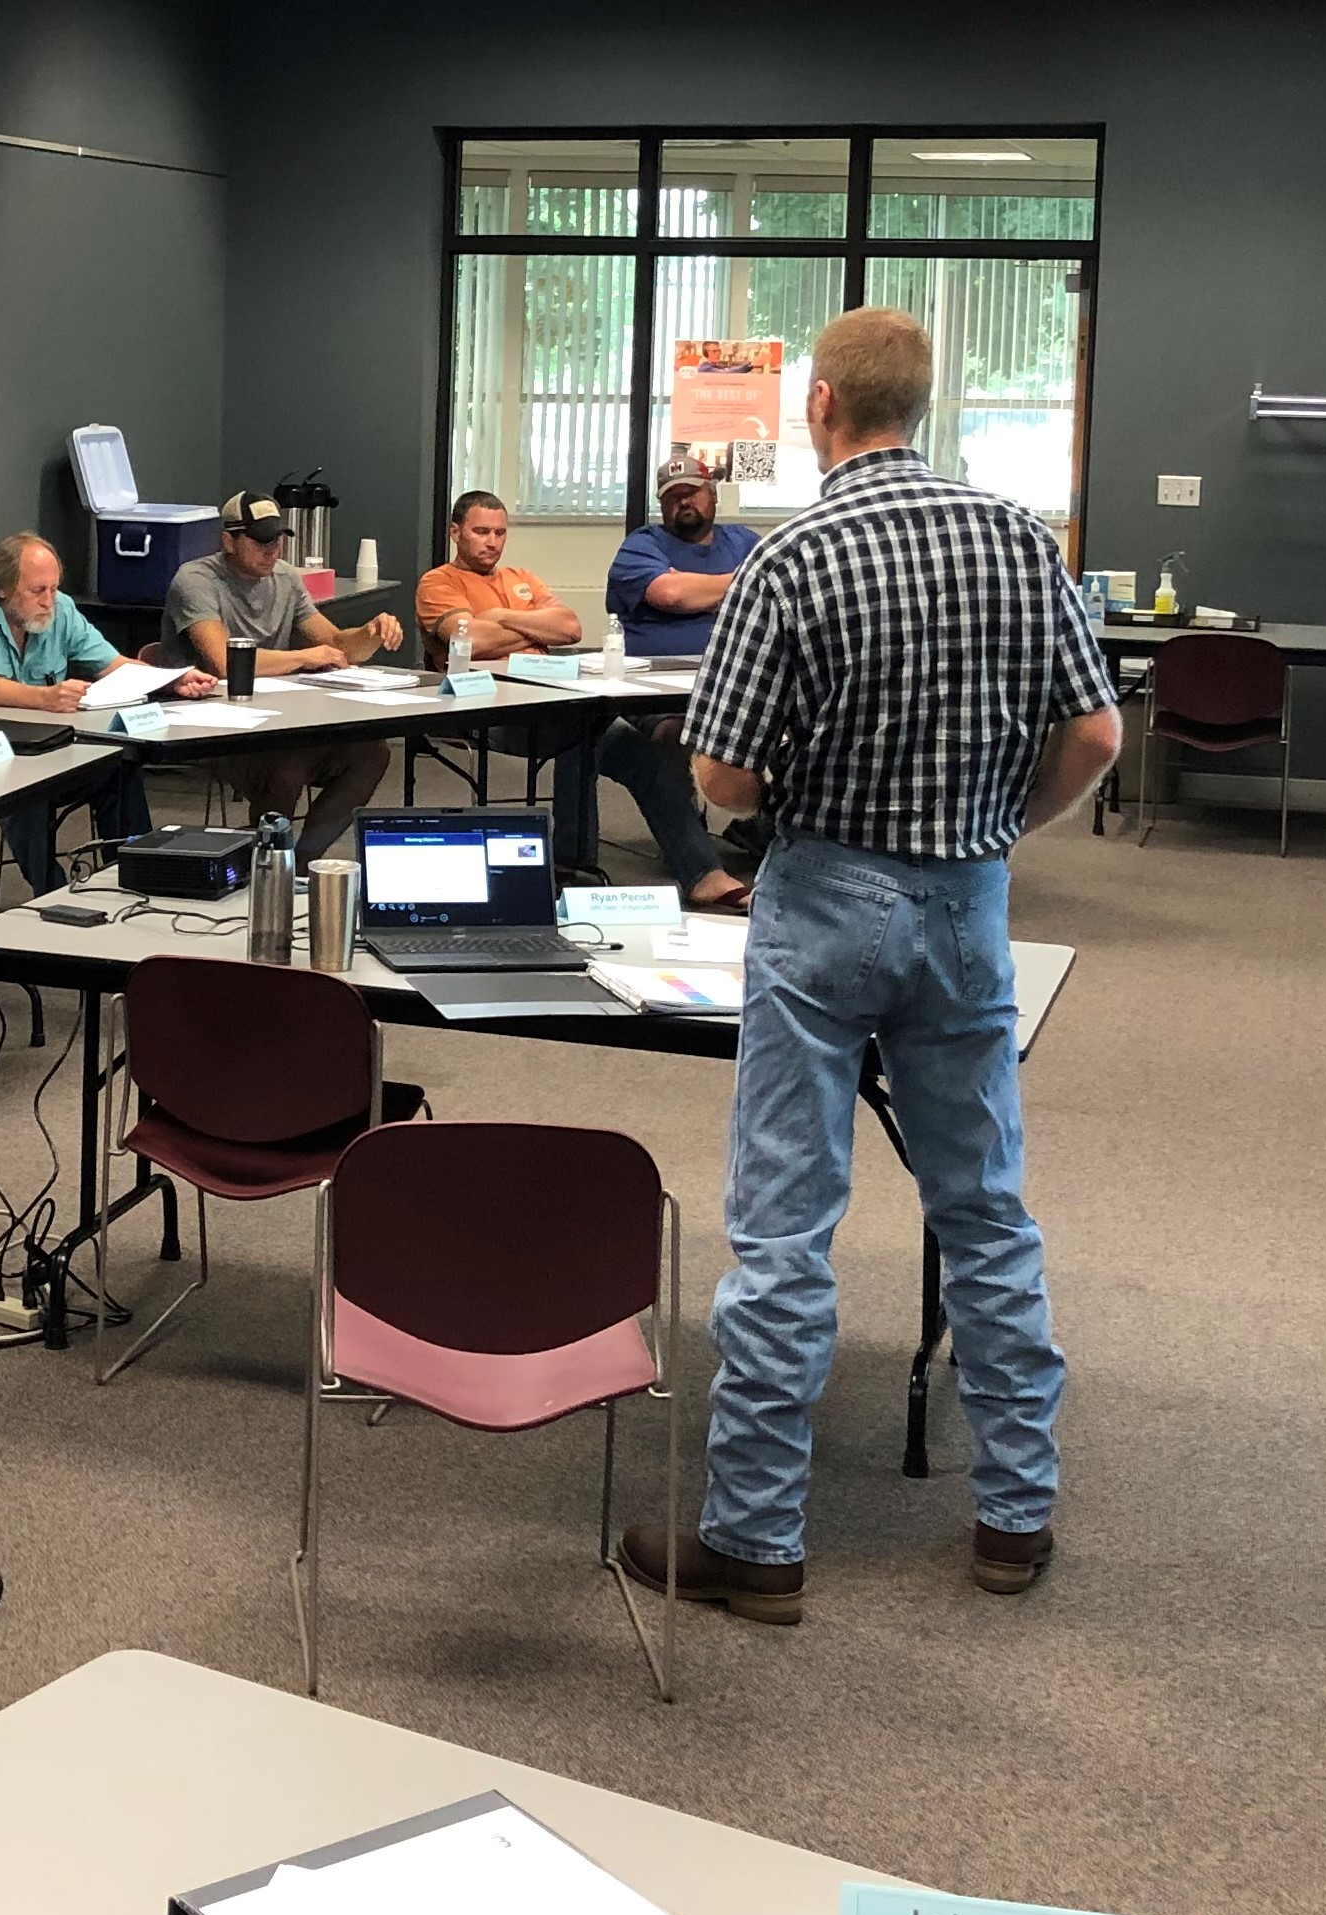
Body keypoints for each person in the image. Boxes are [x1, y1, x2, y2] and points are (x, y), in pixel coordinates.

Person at [627, 307, 1121, 1624]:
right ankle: (1015, 1515)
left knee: (785, 1224)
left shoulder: (792, 558)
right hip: (967, 906)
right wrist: (1004, 828)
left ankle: (757, 1541)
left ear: (824, 405)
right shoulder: (1021, 541)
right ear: (926, 402)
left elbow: (722, 772)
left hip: (825, 900)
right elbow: (1098, 734)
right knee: (985, 1208)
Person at [420, 491, 745, 910]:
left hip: (545, 700)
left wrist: (499, 618)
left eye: (500, 532)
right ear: (455, 533)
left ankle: (702, 874)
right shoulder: (438, 583)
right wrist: (534, 629)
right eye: (481, 532)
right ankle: (572, 865)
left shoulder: (520, 577)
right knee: (581, 729)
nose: (492, 542)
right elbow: (470, 639)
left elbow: (569, 627)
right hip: (482, 709)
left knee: (637, 753)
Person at [0, 532, 215, 890]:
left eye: (53, 588)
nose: (50, 600)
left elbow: (113, 664)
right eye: (37, 591)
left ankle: (138, 879)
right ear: (2, 588)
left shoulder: (60, 608)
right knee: (24, 786)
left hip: (37, 743)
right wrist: (45, 698)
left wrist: (169, 680)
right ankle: (53, 894)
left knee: (118, 768)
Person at [164, 491, 406, 864]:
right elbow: (225, 662)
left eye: (277, 539)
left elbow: (337, 645)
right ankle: (270, 864)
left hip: (278, 717)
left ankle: (303, 863)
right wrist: (304, 659)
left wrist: (370, 633)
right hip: (211, 725)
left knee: (371, 753)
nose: (272, 550)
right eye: (261, 541)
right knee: (284, 765)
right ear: (229, 540)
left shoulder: (286, 578)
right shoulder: (195, 580)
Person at [607, 454, 763, 657]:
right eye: (672, 497)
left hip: (733, 674)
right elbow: (671, 595)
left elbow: (775, 591)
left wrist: (696, 589)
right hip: (653, 676)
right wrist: (744, 585)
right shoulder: (641, 545)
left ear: (713, 494)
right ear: (662, 505)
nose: (684, 502)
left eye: (692, 492)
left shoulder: (743, 542)